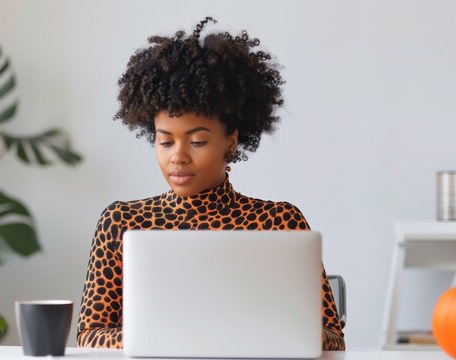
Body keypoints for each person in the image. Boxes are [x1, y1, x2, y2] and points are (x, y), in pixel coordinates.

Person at [77, 17, 345, 351]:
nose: (178, 157)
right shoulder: (121, 222)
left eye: (198, 142)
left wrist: (280, 333)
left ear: (230, 142)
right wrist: (184, 340)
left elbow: (333, 337)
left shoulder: (280, 222)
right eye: (165, 142)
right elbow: (89, 336)